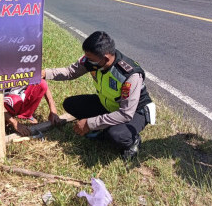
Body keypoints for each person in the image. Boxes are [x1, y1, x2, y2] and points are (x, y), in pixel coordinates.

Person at [42, 31, 154, 160]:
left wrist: (90, 123)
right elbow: (70, 72)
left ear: (105, 58)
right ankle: (103, 128)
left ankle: (133, 141)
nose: (87, 61)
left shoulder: (129, 74)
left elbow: (125, 114)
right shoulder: (94, 61)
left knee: (116, 135)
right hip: (108, 104)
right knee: (70, 104)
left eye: (90, 59)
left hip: (135, 111)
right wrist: (45, 73)